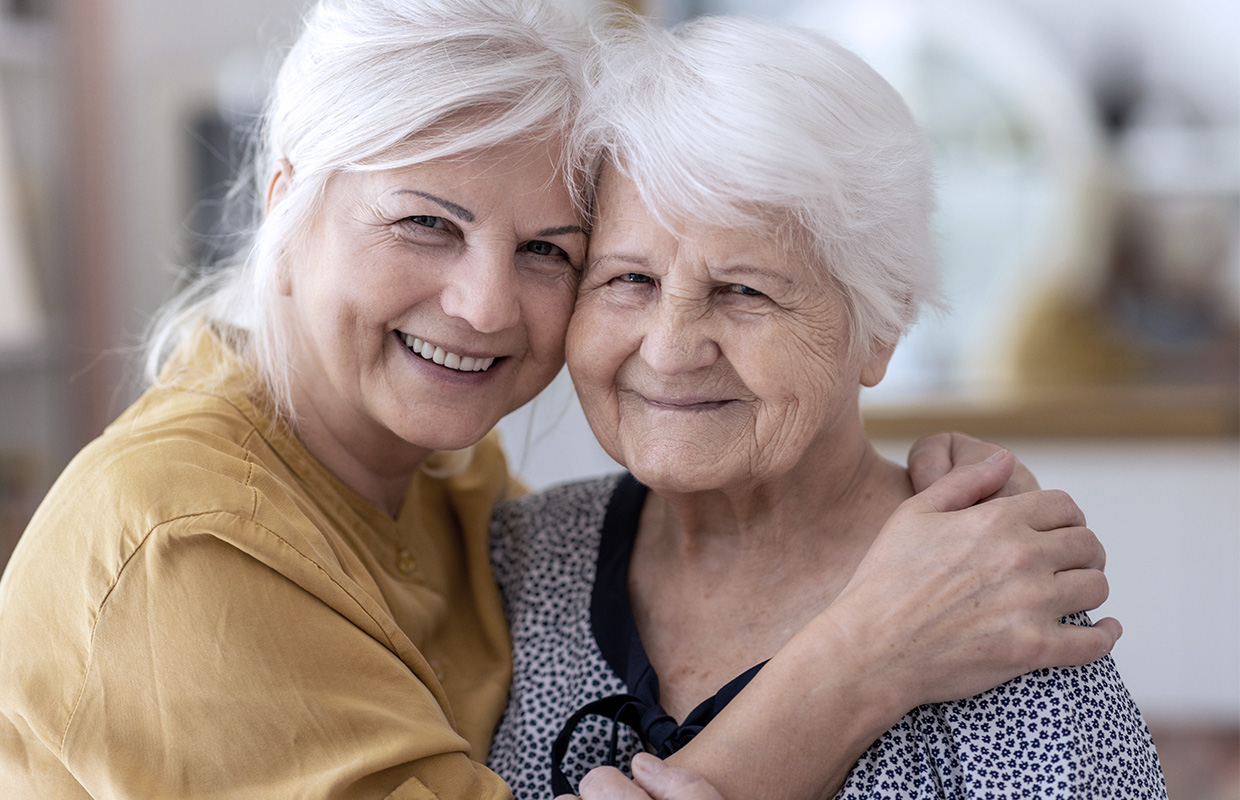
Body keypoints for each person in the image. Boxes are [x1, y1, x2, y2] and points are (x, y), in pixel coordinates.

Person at [0, 1, 1118, 798]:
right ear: (287, 200)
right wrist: (864, 654)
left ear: (881, 329)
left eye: (548, 249)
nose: (486, 306)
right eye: (424, 221)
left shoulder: (466, 498)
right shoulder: (186, 544)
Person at [486, 14, 1166, 800]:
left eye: (744, 290)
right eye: (628, 281)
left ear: (881, 327)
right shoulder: (516, 560)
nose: (670, 349)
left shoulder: (994, 598)